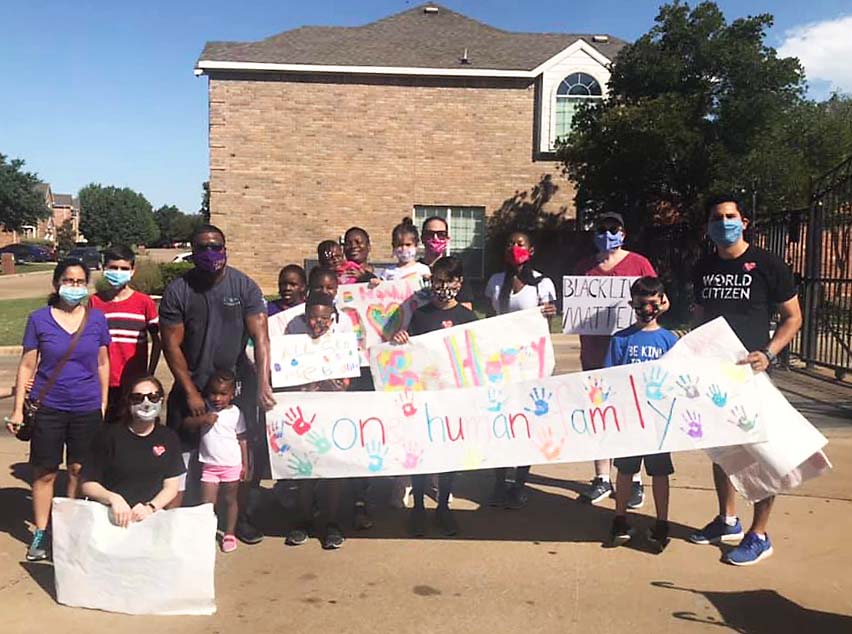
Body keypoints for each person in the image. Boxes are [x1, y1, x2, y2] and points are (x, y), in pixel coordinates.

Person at [689, 194, 802, 566]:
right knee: (722, 451)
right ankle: (727, 520)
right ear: (708, 227)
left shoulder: (768, 264)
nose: (724, 223)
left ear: (744, 221)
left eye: (730, 216)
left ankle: (760, 533)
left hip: (752, 375)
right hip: (715, 375)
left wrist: (769, 353)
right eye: (717, 218)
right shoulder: (704, 268)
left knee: (759, 454)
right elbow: (703, 316)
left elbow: (792, 317)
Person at [159, 224, 275, 545]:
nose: (211, 253)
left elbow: (261, 338)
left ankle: (239, 521)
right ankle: (187, 521)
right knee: (185, 457)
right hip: (191, 387)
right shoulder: (178, 291)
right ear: (192, 253)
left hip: (233, 389)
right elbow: (171, 346)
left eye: (216, 246)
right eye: (203, 248)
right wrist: (191, 392)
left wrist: (263, 382)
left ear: (225, 248)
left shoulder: (244, 287)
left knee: (238, 458)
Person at [4, 259, 110, 561]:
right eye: (68, 280)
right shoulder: (39, 319)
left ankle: (69, 527)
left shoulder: (97, 320)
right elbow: (27, 366)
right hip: (48, 406)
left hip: (86, 406)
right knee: (45, 471)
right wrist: (18, 411)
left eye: (79, 281)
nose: (74, 286)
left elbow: (103, 363)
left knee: (78, 469)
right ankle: (40, 531)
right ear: (56, 283)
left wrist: (102, 403)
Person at [574, 211, 656, 507]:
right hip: (594, 353)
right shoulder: (584, 268)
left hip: (629, 352)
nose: (607, 233)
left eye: (613, 228)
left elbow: (659, 299)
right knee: (599, 415)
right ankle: (601, 478)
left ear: (623, 232)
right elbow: (573, 308)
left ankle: (633, 479)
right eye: (601, 228)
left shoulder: (639, 264)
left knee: (630, 415)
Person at [393, 256, 478, 537]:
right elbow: (408, 355)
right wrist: (401, 341)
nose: (442, 287)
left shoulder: (468, 318)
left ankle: (442, 506)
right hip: (424, 399)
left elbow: (476, 356)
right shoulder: (421, 315)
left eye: (447, 281)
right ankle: (418, 506)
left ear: (459, 283)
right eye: (437, 281)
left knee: (448, 454)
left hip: (454, 400)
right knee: (423, 453)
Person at [484, 230, 557, 509]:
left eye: (520, 244)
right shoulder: (495, 283)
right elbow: (488, 322)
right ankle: (499, 482)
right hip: (501, 366)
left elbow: (545, 328)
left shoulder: (542, 284)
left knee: (527, 425)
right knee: (501, 424)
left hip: (531, 367)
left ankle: (520, 484)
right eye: (510, 244)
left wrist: (549, 315)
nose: (515, 248)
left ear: (531, 249)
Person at [604, 277, 677, 551]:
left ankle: (662, 522)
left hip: (658, 421)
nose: (645, 308)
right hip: (629, 419)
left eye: (650, 302)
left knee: (660, 472)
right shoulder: (621, 339)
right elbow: (609, 378)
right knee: (625, 470)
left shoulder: (669, 340)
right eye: (640, 303)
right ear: (631, 304)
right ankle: (619, 517)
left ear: (661, 302)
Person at [283, 292, 350, 550]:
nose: (317, 323)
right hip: (303, 416)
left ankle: (331, 523)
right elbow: (285, 378)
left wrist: (336, 384)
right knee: (304, 470)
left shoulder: (341, 344)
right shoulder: (292, 344)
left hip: (332, 415)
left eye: (323, 318)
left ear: (332, 319)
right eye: (312, 318)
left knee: (333, 472)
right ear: (304, 317)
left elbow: (346, 383)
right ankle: (303, 521)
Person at [80, 375, 184, 527]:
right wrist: (113, 498)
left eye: (153, 397)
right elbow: (87, 485)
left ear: (161, 400)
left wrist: (150, 507)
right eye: (138, 398)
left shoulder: (169, 437)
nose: (146, 403)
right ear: (129, 402)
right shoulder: (108, 436)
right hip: (110, 519)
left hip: (151, 519)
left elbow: (172, 486)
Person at [91, 245, 160, 422]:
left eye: (124, 268)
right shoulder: (95, 302)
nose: (118, 272)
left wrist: (149, 373)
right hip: (102, 382)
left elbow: (157, 342)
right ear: (104, 268)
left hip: (134, 382)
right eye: (113, 268)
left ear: (132, 270)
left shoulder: (144, 303)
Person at [183, 370, 248, 553]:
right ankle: (206, 532)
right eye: (213, 393)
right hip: (209, 467)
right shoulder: (204, 408)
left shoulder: (236, 413)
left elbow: (242, 438)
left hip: (231, 466)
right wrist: (203, 420)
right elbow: (186, 424)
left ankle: (229, 533)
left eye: (223, 394)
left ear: (232, 394)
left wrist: (246, 463)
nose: (217, 398)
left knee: (229, 499)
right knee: (206, 503)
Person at [418, 215, 473, 310]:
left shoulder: (454, 268)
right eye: (430, 234)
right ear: (422, 238)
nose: (435, 238)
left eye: (441, 234)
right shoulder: (413, 270)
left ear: (447, 239)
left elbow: (466, 307)